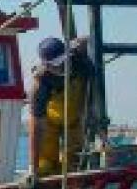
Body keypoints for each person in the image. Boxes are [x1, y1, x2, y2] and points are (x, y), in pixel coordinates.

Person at [29, 37, 94, 178]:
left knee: (73, 165)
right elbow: (36, 126)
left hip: (74, 122)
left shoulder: (80, 58)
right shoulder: (40, 85)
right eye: (56, 64)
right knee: (45, 166)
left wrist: (82, 42)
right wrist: (33, 169)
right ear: (46, 65)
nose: (62, 66)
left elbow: (86, 39)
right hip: (49, 123)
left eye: (64, 60)